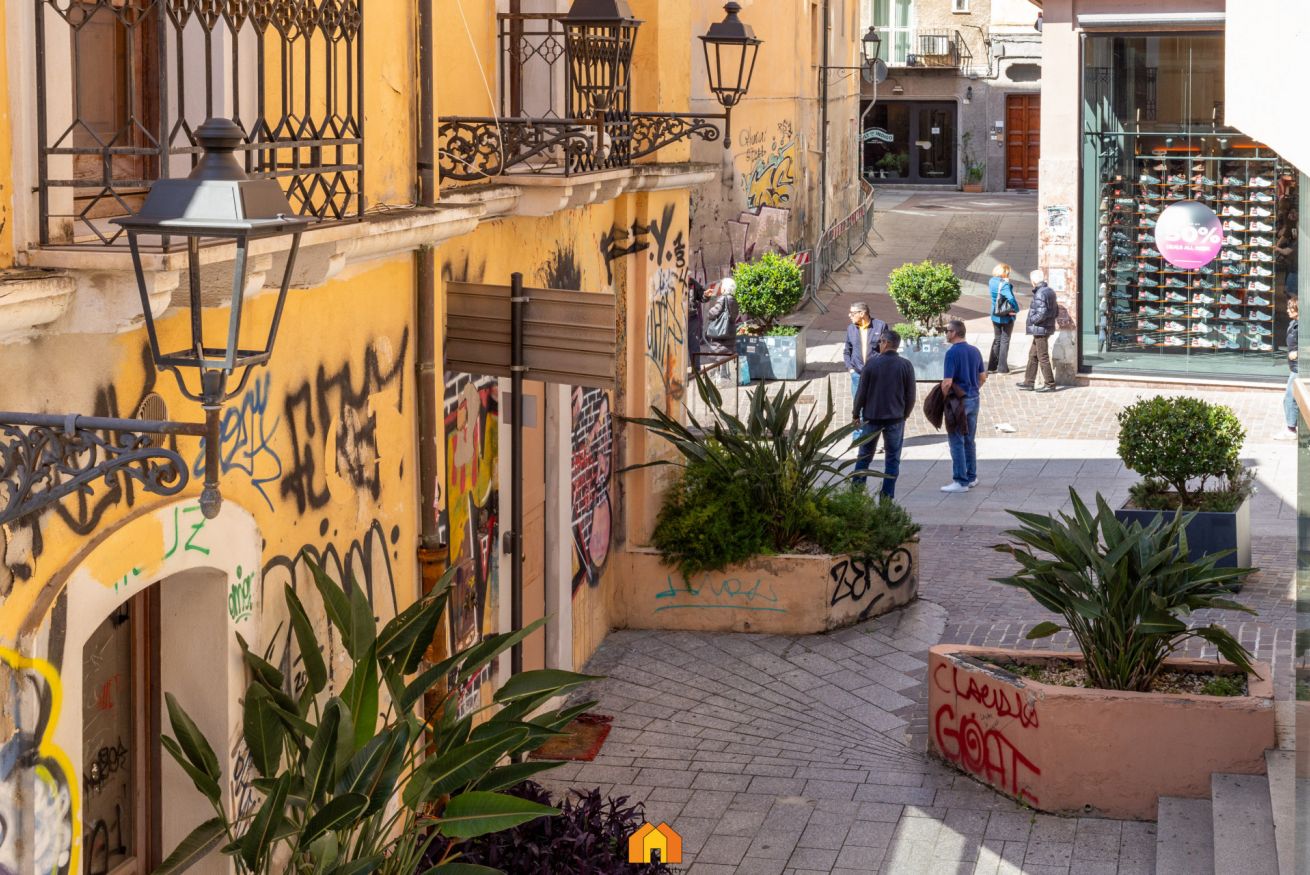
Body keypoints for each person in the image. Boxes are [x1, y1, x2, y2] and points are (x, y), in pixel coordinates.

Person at [851, 329, 917, 497]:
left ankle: (855, 494)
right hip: (895, 419)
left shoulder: (871, 364)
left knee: (864, 457)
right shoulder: (905, 365)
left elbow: (861, 392)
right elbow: (911, 395)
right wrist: (904, 415)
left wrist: (856, 413)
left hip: (872, 418)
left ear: (886, 343)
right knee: (892, 459)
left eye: (880, 341)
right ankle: (887, 497)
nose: (879, 344)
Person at [940, 319, 986, 493]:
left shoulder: (952, 353)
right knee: (969, 440)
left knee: (956, 440)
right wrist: (974, 389)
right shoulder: (975, 351)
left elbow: (947, 382)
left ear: (954, 332)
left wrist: (944, 397)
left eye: (947, 330)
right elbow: (983, 377)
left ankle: (960, 481)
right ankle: (971, 476)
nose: (946, 333)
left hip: (958, 402)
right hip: (974, 398)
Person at [1017, 269, 1058, 392]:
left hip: (1041, 329)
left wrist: (1032, 320)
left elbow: (1042, 312)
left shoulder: (1040, 293)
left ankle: (1050, 384)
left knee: (1042, 356)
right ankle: (1029, 382)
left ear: (1033, 281)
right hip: (1043, 328)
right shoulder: (1049, 291)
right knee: (1033, 355)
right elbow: (1055, 310)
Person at [843, 302, 889, 399]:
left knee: (875, 402)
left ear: (862, 313)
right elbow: (847, 350)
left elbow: (887, 349)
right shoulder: (851, 329)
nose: (849, 315)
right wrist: (850, 369)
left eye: (852, 313)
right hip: (857, 374)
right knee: (858, 404)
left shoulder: (880, 326)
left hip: (875, 374)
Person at [987, 263, 1020, 374]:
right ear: (1004, 273)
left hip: (995, 314)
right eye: (1008, 273)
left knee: (997, 339)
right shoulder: (1004, 285)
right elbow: (1010, 298)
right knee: (1005, 340)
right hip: (1006, 315)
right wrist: (1016, 309)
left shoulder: (991, 281)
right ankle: (1002, 368)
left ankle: (992, 367)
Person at [1279, 296, 1299, 440]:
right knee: (1291, 398)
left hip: (1300, 367)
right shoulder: (1293, 323)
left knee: (1290, 398)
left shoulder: (1303, 326)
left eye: (1290, 308)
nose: (1287, 310)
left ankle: (1291, 430)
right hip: (1295, 366)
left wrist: (1298, 353)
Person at [704, 277, 740, 353]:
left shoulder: (723, 299)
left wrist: (709, 312)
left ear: (724, 288)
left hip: (721, 332)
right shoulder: (734, 299)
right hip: (730, 330)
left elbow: (713, 313)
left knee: (720, 353)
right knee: (728, 351)